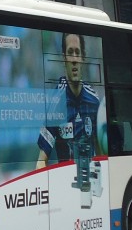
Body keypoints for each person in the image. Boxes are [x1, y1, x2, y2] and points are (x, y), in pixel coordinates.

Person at [36, 32, 103, 167]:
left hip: (90, 181)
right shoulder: (56, 103)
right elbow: (41, 161)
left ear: (83, 57)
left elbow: (101, 155)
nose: (74, 59)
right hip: (65, 182)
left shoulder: (94, 102)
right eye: (70, 52)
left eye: (77, 53)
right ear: (64, 59)